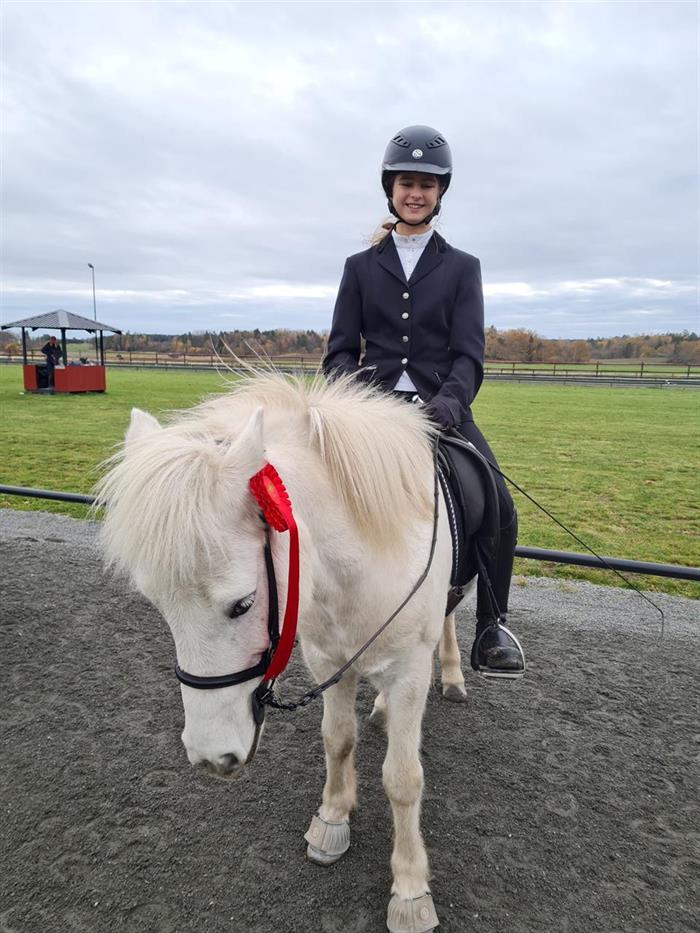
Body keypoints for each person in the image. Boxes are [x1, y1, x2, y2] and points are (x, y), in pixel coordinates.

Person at [322, 124, 525, 680]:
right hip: (372, 415)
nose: (416, 193)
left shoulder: (463, 268)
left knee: (501, 506)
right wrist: (362, 407)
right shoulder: (359, 268)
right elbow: (340, 353)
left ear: (441, 193)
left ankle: (492, 627)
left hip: (443, 411)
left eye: (427, 185)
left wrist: (448, 406)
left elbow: (469, 356)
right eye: (407, 183)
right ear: (390, 188)